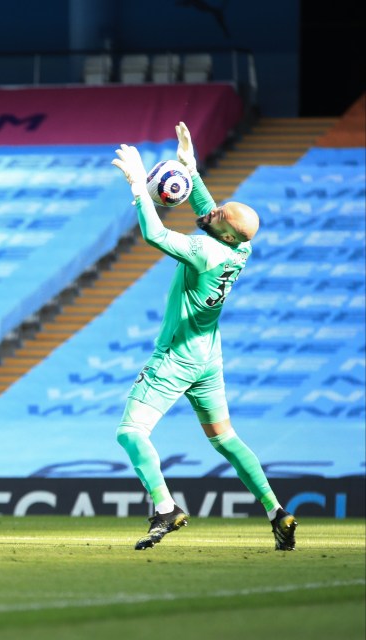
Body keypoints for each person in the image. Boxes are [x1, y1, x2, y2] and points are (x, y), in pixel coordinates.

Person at [110, 122, 297, 551]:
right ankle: (277, 512)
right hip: (207, 358)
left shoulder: (204, 250)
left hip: (175, 358)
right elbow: (215, 212)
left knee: (130, 432)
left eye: (218, 215)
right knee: (225, 438)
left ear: (225, 232)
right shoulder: (238, 247)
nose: (211, 212)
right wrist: (191, 172)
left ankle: (164, 508)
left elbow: (154, 234)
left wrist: (140, 187)